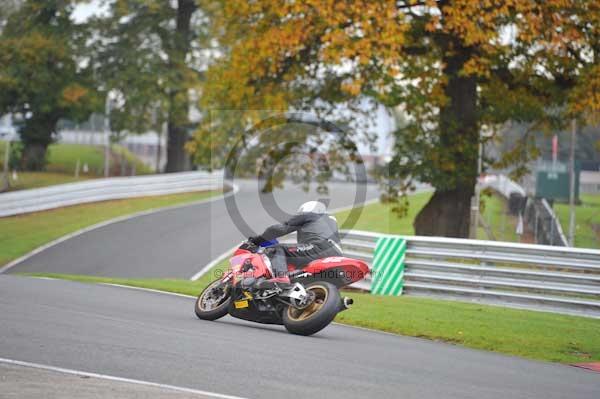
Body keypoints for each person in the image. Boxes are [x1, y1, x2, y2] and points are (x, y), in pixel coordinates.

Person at [248, 200, 343, 288]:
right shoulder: (329, 220)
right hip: (338, 256)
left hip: (319, 248)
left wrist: (256, 240)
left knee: (276, 249)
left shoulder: (310, 215)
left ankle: (281, 278)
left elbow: (277, 229)